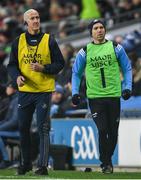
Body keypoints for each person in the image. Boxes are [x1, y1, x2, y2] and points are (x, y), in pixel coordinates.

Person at [8, 9, 65, 175]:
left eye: (38, 17)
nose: (36, 20)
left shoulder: (49, 40)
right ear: (26, 22)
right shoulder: (17, 41)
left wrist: (44, 68)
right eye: (32, 18)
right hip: (25, 91)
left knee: (43, 128)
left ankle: (42, 166)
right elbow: (11, 65)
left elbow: (60, 64)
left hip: (43, 91)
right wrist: (16, 77)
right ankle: (25, 163)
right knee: (22, 127)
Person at [71, 19, 132, 174]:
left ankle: (107, 159)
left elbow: (127, 68)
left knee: (113, 132)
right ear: (91, 32)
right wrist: (75, 93)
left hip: (113, 96)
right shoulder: (85, 51)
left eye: (101, 27)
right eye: (96, 28)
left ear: (105, 30)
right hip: (95, 97)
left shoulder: (116, 48)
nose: (99, 30)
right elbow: (76, 73)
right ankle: (105, 163)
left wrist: (127, 88)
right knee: (102, 129)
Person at [0, 81, 19, 169]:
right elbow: (7, 120)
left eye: (8, 87)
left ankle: (7, 161)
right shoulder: (12, 100)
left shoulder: (18, 100)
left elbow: (15, 121)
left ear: (13, 89)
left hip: (18, 131)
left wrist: (0, 127)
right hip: (12, 130)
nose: (6, 89)